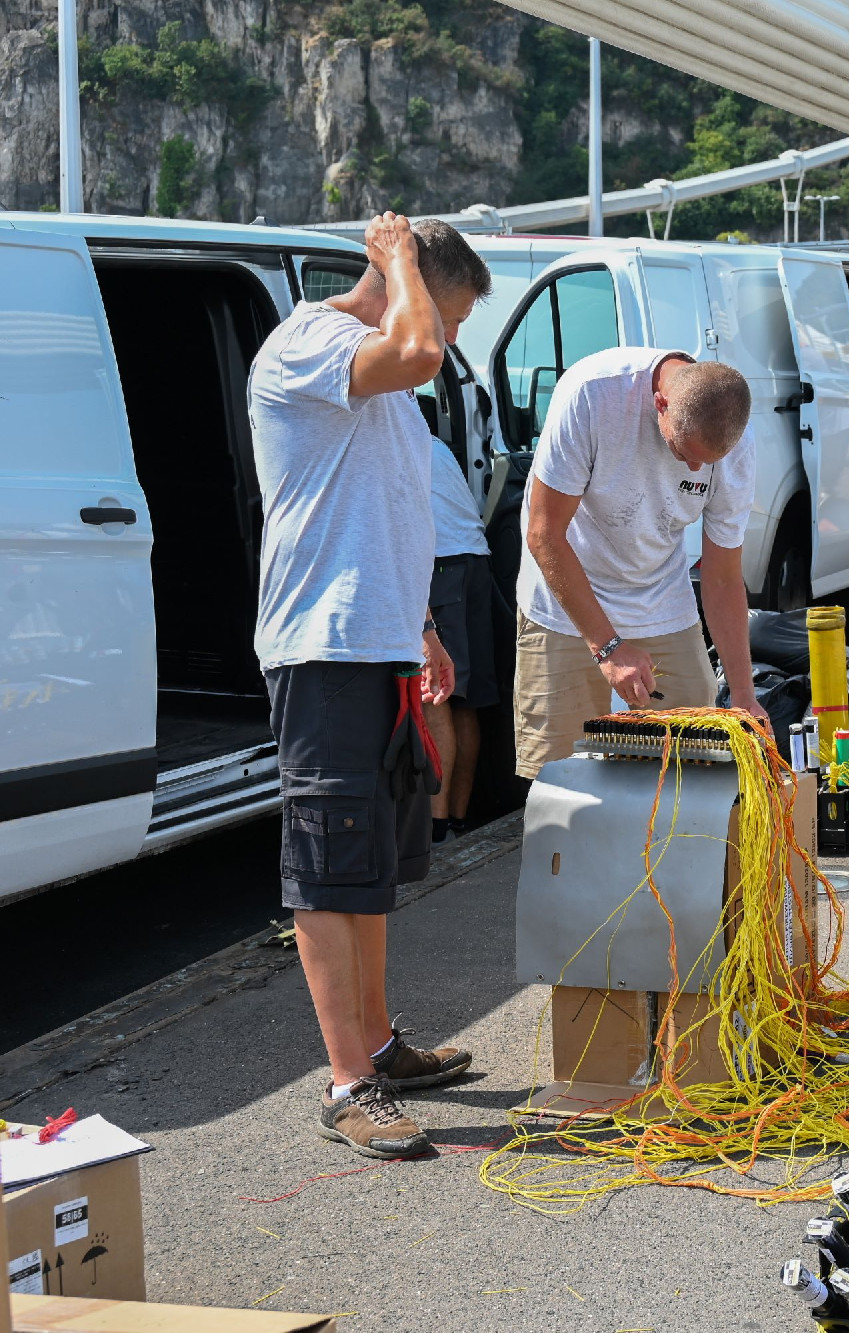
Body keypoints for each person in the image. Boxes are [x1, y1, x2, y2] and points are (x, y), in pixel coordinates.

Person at [249, 213, 490, 1159]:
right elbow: (423, 350)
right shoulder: (311, 343)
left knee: (375, 863)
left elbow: (384, 504)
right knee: (325, 863)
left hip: (377, 644)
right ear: (405, 283)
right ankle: (347, 1080)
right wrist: (397, 260)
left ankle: (380, 1046)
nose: (452, 339)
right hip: (322, 648)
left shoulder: (385, 368)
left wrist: (421, 625)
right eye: (452, 313)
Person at [515, 347, 765, 779]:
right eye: (685, 451)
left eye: (707, 462)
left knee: (693, 763)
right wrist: (608, 647)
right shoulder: (592, 394)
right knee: (558, 778)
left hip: (660, 597)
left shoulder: (735, 443)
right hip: (565, 598)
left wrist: (743, 691)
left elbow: (722, 578)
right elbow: (544, 534)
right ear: (661, 403)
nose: (694, 466)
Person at [425, 434, 504, 844]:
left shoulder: (387, 438)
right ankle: (456, 822)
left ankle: (435, 832)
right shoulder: (436, 444)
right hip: (475, 560)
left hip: (440, 565)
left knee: (437, 696)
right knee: (465, 702)